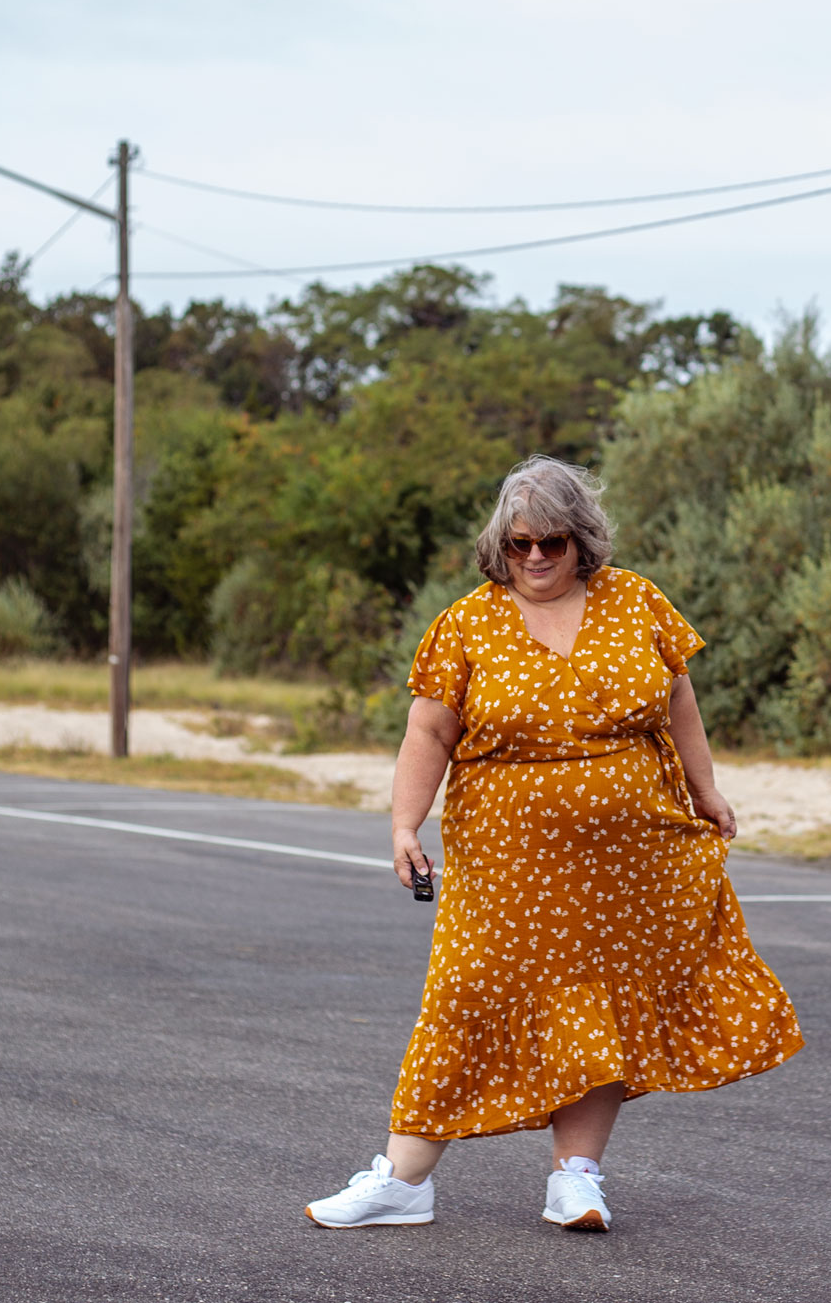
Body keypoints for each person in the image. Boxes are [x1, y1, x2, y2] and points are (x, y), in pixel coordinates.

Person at [305, 455, 803, 1233]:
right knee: (465, 994)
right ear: (499, 545)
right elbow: (428, 731)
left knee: (600, 1004)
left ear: (582, 540)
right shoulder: (467, 622)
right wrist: (405, 825)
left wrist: (705, 789)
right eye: (519, 543)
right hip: (505, 862)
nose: (535, 556)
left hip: (631, 860)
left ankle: (576, 1178)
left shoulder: (636, 601)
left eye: (552, 542)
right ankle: (402, 1180)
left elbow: (679, 699)